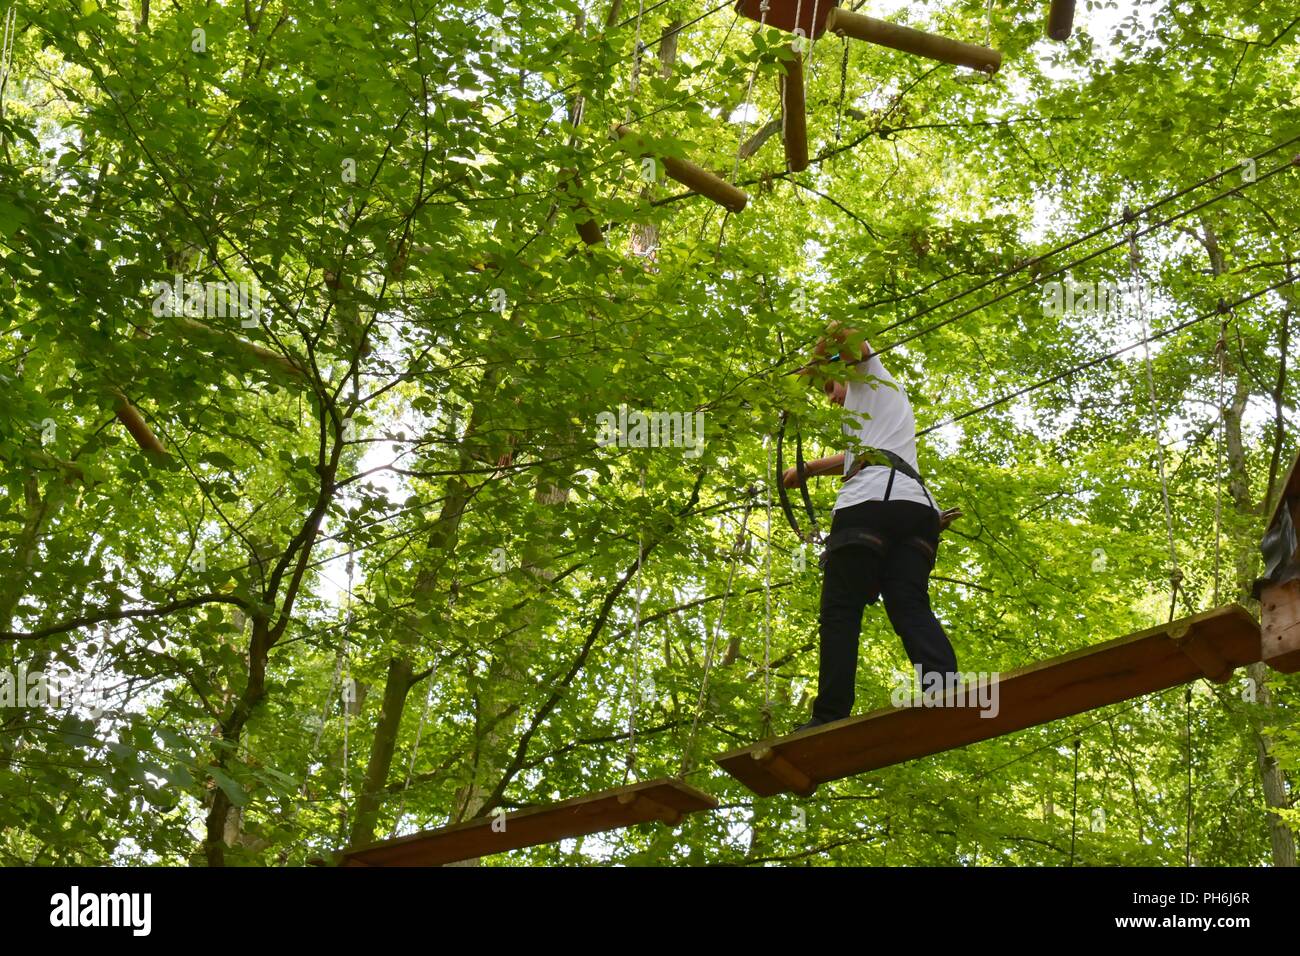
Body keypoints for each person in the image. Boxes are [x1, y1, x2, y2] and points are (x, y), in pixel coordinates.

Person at [784, 324, 961, 731]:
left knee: (841, 609)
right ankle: (945, 687)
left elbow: (841, 331)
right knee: (908, 603)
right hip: (916, 512)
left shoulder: (869, 377)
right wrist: (809, 469)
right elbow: (859, 458)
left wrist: (811, 367)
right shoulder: (873, 419)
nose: (830, 398)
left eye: (831, 388)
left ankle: (829, 716)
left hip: (871, 505)